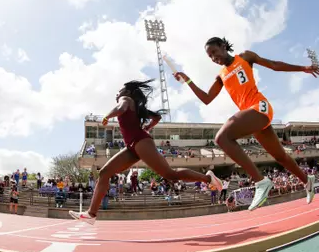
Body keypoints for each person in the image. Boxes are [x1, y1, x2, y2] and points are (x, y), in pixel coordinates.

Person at [173, 37, 319, 211]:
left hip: (260, 107)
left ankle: (261, 182)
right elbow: (206, 99)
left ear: (223, 46)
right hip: (253, 117)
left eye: (214, 52)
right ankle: (307, 180)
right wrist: (188, 80)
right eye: (209, 57)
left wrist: (303, 68)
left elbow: (274, 65)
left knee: (222, 138)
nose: (213, 58)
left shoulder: (245, 57)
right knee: (280, 157)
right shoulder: (221, 75)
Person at [69, 79, 223, 224]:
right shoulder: (136, 106)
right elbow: (156, 117)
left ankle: (208, 178)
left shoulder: (126, 100)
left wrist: (108, 116)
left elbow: (120, 108)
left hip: (141, 143)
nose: (117, 93)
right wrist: (148, 127)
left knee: (170, 174)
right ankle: (91, 214)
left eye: (120, 90)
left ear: (127, 92)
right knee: (104, 173)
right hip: (132, 146)